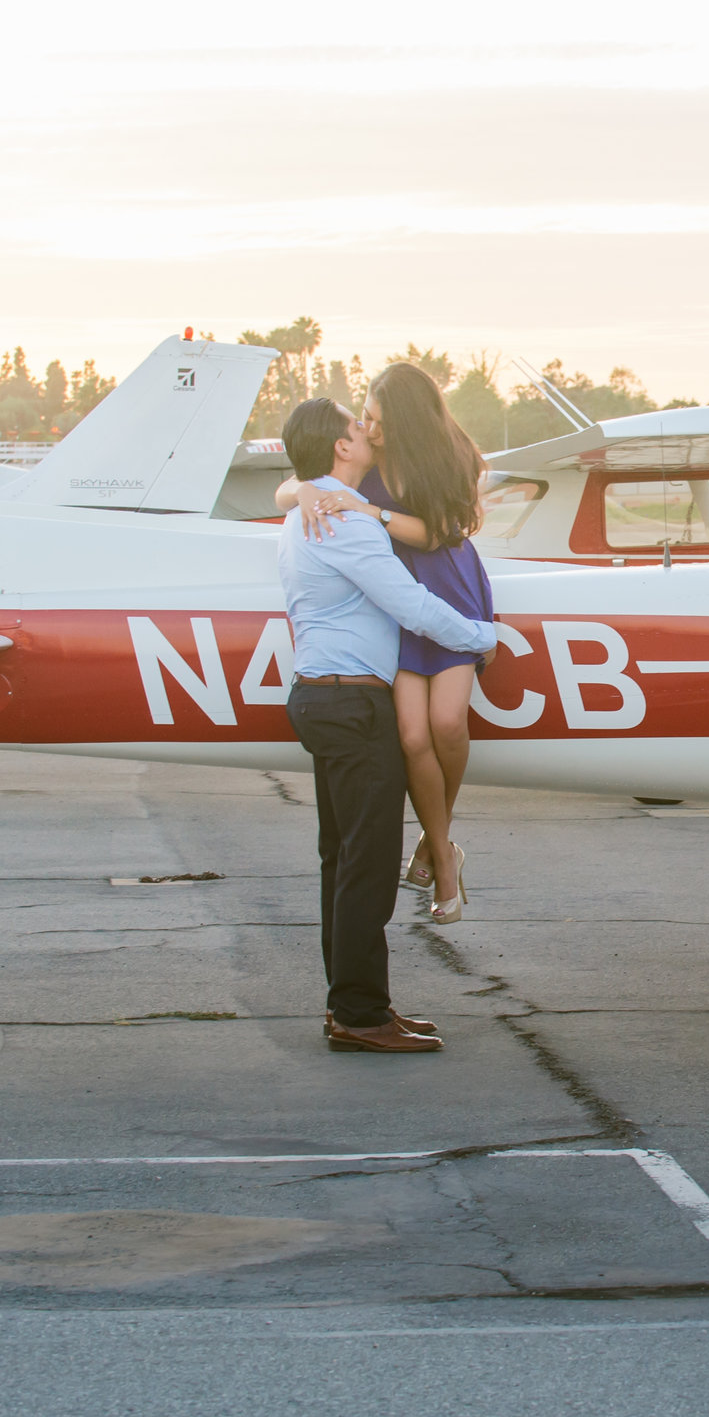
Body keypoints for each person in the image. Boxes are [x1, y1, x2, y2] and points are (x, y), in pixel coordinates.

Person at [277, 395, 498, 1054]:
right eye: (356, 425)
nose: (367, 430)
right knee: (364, 868)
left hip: (326, 699)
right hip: (349, 704)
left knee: (342, 864)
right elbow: (410, 603)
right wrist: (484, 634)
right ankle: (360, 1015)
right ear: (341, 447)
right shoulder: (342, 521)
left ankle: (355, 1006)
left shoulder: (313, 507)